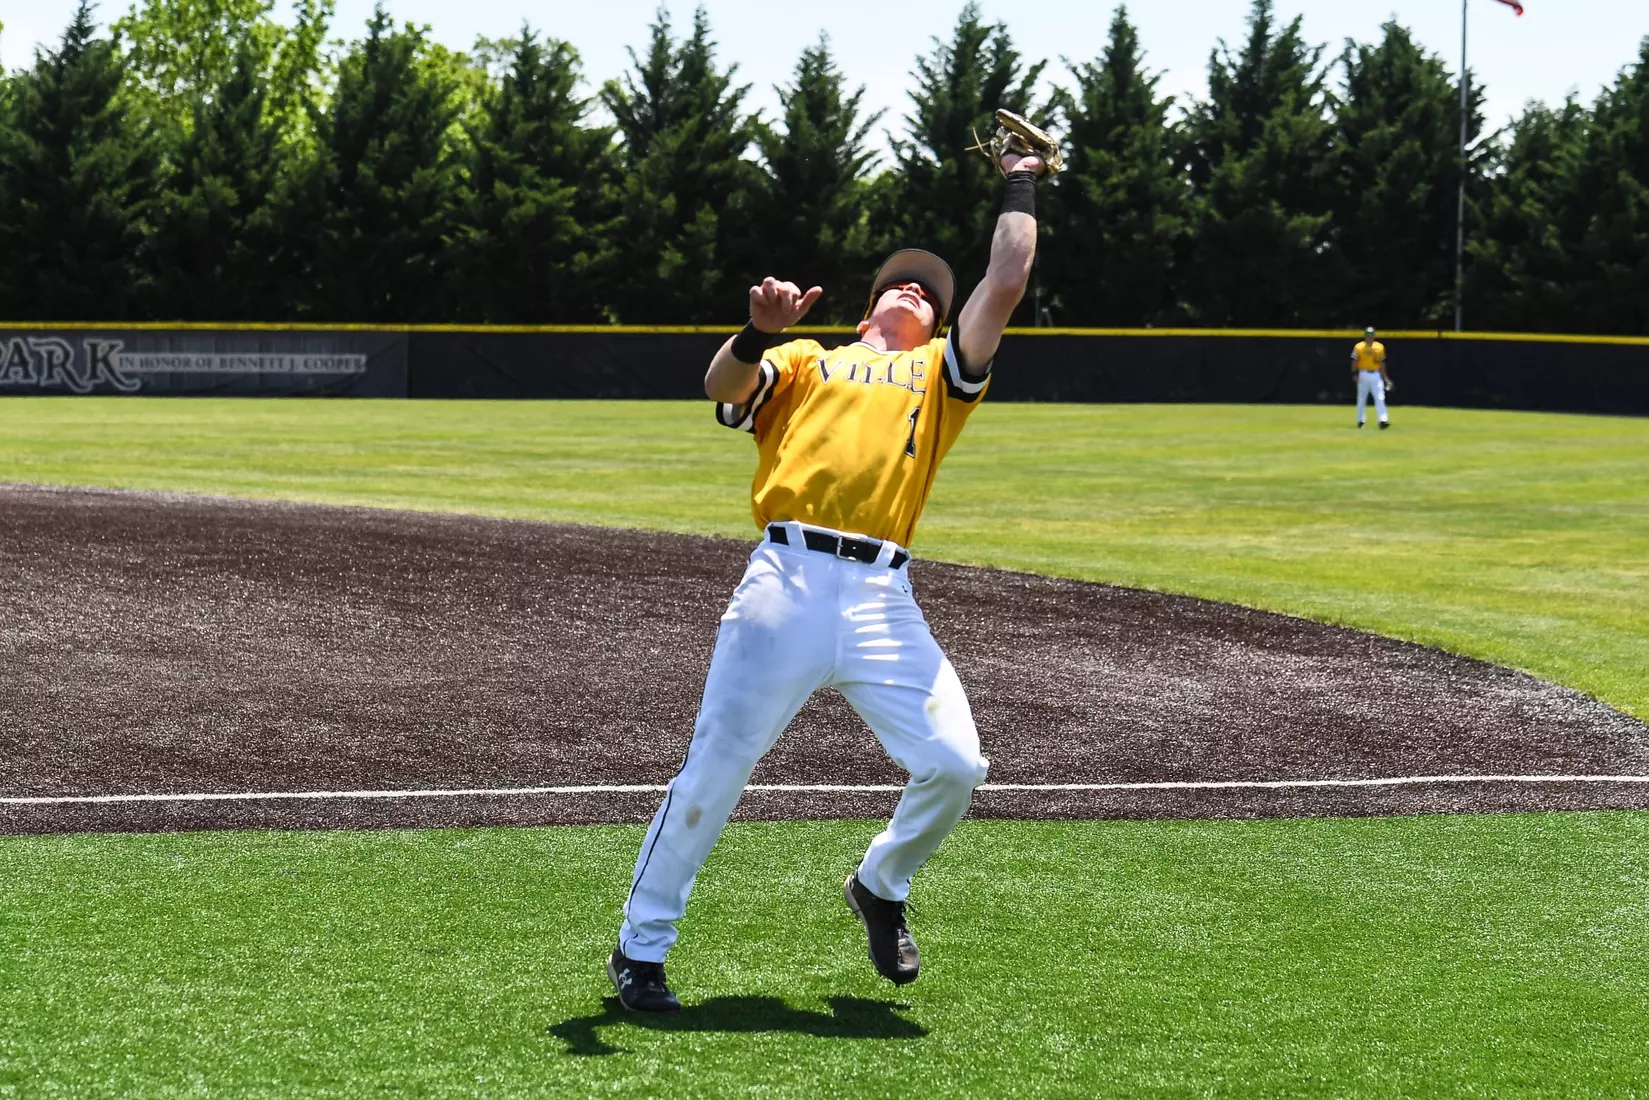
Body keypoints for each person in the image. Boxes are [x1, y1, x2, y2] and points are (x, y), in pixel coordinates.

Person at [605, 148, 1045, 1013]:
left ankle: (880, 884)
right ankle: (640, 949)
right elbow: (720, 387)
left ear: (939, 321)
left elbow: (1006, 279)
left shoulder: (941, 376)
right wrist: (757, 332)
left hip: (884, 598)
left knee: (956, 764)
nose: (913, 289)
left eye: (928, 291)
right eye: (899, 283)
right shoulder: (808, 360)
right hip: (786, 581)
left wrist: (1020, 179)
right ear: (868, 305)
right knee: (717, 768)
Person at [1352, 326, 1393, 429]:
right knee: (1362, 398)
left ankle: (1383, 420)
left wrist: (1385, 377)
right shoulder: (1359, 346)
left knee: (1380, 397)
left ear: (1374, 335)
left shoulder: (1379, 347)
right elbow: (1354, 361)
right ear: (1365, 335)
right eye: (1368, 334)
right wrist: (1354, 373)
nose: (1369, 336)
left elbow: (1382, 363)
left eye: (1371, 334)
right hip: (1363, 373)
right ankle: (1360, 421)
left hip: (1376, 374)